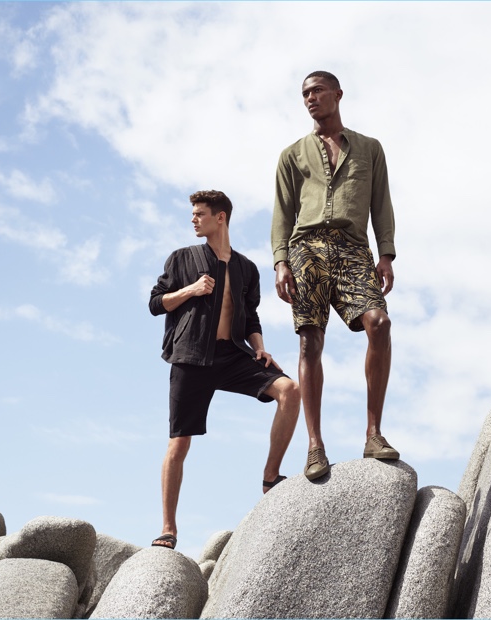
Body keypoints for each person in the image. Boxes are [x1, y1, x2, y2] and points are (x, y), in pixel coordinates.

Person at [149, 189, 300, 549]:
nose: (193, 219)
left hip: (232, 354)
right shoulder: (182, 258)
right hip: (190, 356)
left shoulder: (246, 268)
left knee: (290, 390)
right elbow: (156, 303)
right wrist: (191, 290)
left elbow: (251, 315)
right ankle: (168, 528)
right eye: (193, 214)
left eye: (200, 213)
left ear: (221, 217)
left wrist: (260, 348)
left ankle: (269, 477)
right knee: (178, 444)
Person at [271, 70, 399, 482]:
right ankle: (314, 445)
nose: (310, 98)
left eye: (317, 91)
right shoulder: (292, 154)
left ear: (337, 94)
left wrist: (386, 254)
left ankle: (373, 433)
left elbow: (382, 204)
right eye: (305, 93)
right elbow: (282, 213)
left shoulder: (370, 149)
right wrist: (280, 262)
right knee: (310, 339)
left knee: (378, 323)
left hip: (352, 247)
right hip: (306, 247)